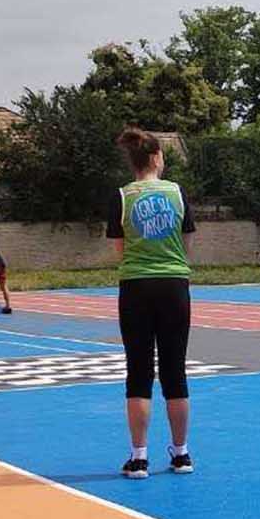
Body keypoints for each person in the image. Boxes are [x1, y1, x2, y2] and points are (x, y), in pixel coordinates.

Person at [107, 127, 196, 478]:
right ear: (157, 157)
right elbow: (187, 243)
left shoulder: (122, 197)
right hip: (174, 285)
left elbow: (119, 250)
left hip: (136, 286)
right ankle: (181, 453)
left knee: (139, 371)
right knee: (175, 370)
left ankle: (139, 456)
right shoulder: (177, 193)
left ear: (132, 162)